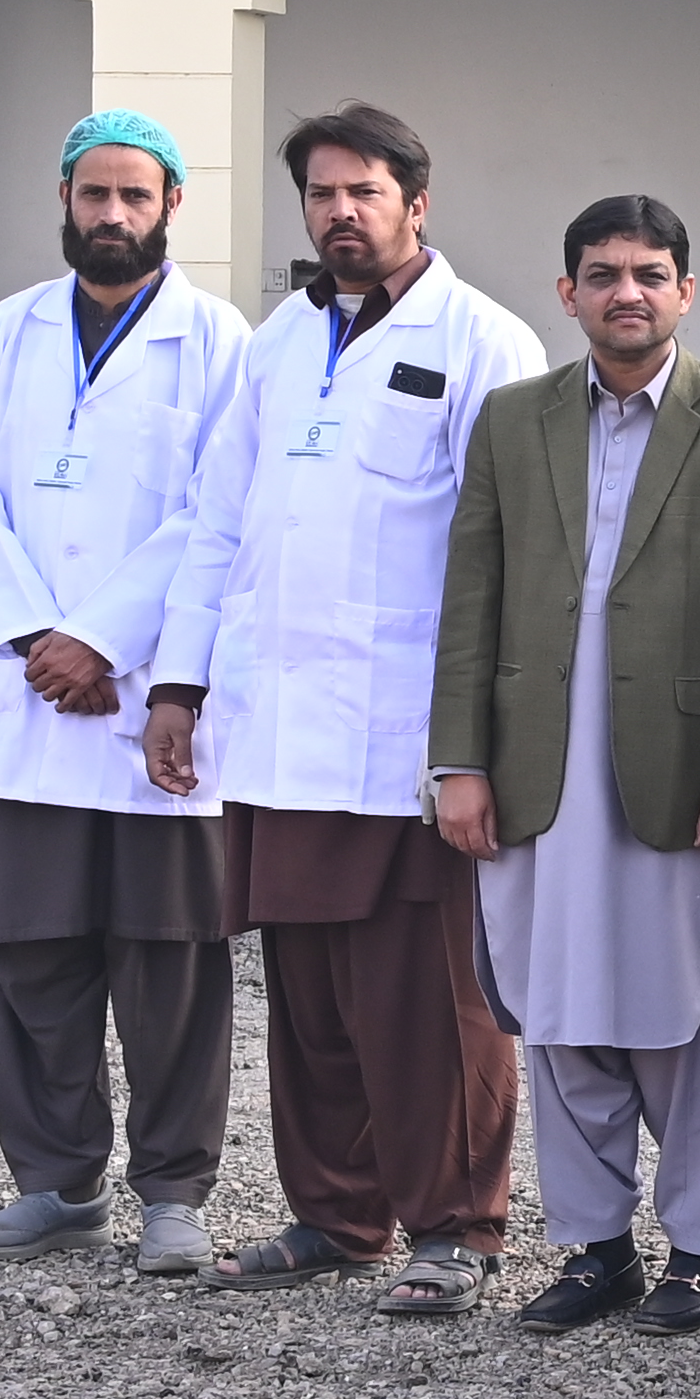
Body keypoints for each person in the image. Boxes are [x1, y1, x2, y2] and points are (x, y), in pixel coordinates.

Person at [148, 102, 549, 1313]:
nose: (340, 213)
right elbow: (218, 520)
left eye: (363, 192)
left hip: (405, 733)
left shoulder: (484, 339)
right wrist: (178, 683)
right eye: (322, 194)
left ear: (415, 204)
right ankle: (335, 1212)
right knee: (310, 993)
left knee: (426, 995)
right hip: (276, 730)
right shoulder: (273, 342)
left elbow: (512, 551)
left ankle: (455, 1226)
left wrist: (477, 740)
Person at [430, 197, 700, 1336]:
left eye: (649, 273)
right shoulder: (511, 418)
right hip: (535, 765)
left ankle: (699, 1249)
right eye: (602, 273)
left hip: (680, 772)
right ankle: (593, 1246)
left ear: (687, 290)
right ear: (568, 292)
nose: (625, 291)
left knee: (684, 1011)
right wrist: (459, 762)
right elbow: (470, 603)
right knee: (557, 1006)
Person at [0, 112, 255, 1272]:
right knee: (30, 952)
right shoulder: (7, 332)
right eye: (93, 194)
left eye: (134, 195)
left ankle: (174, 1190)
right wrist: (37, 633)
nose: (111, 215)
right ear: (63, 197)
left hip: (143, 700)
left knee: (167, 953)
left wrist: (100, 640)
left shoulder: (217, 339)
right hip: (25, 693)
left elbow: (214, 514)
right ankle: (56, 1181)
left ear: (173, 203)